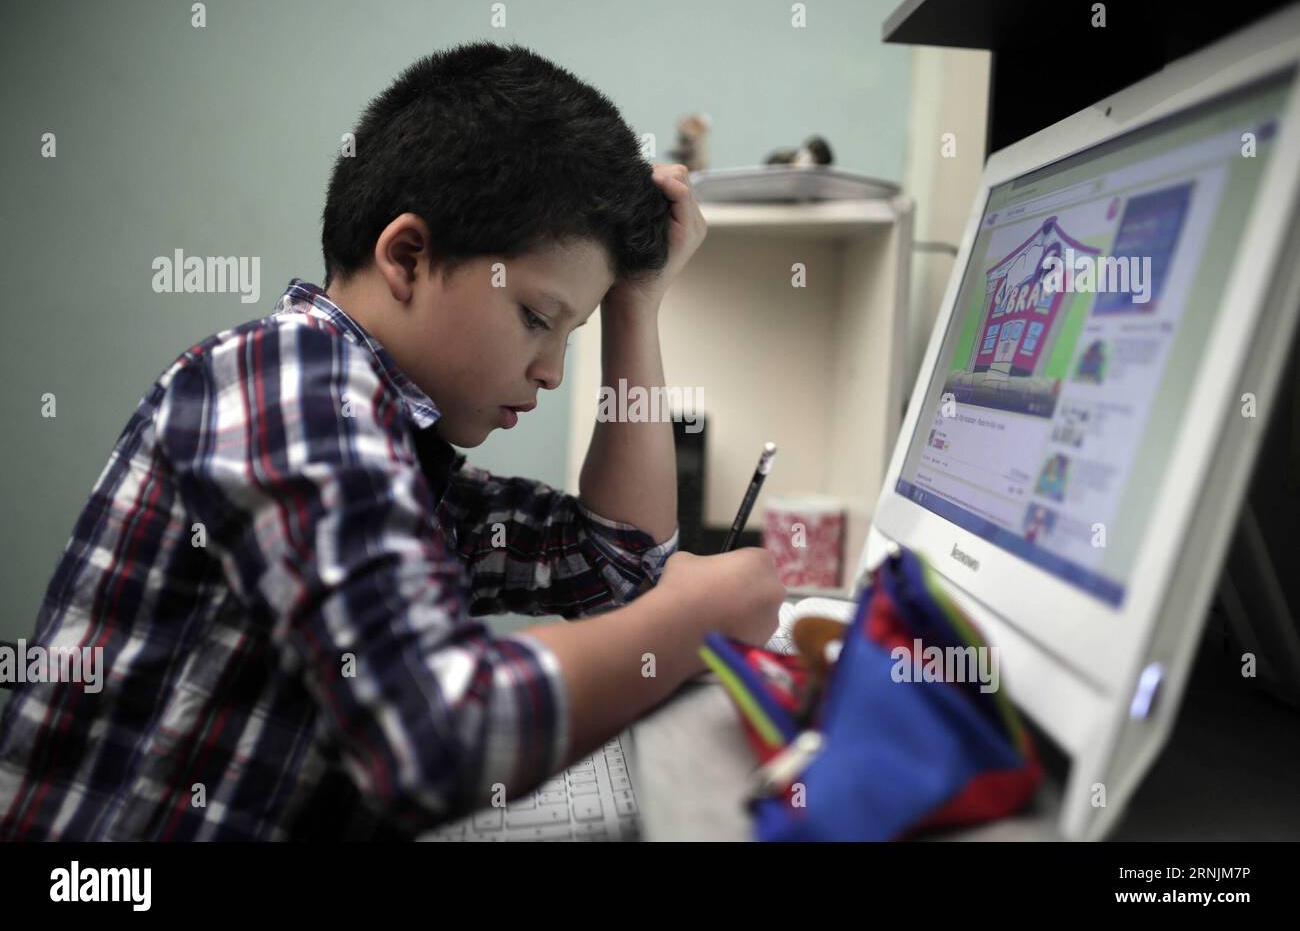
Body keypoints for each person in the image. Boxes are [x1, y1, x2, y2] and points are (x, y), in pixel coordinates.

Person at [0, 42, 783, 840]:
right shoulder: (284, 384)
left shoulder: (400, 453)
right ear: (408, 256)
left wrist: (636, 305)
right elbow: (437, 734)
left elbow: (614, 564)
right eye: (538, 319)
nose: (550, 373)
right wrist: (698, 618)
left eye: (570, 335)